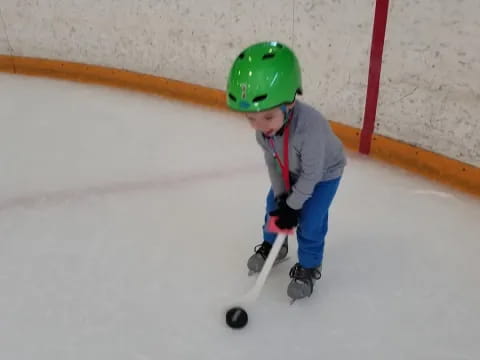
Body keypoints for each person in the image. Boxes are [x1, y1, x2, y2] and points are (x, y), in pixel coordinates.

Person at [226, 41, 346, 301]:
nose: (259, 126)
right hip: (290, 169)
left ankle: (310, 266)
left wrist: (294, 207)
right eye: (251, 119)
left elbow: (312, 175)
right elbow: (272, 162)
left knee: (311, 218)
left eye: (267, 117)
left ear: (289, 103)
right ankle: (273, 248)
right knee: (273, 205)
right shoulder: (264, 132)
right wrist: (283, 197)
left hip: (325, 173)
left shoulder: (310, 128)